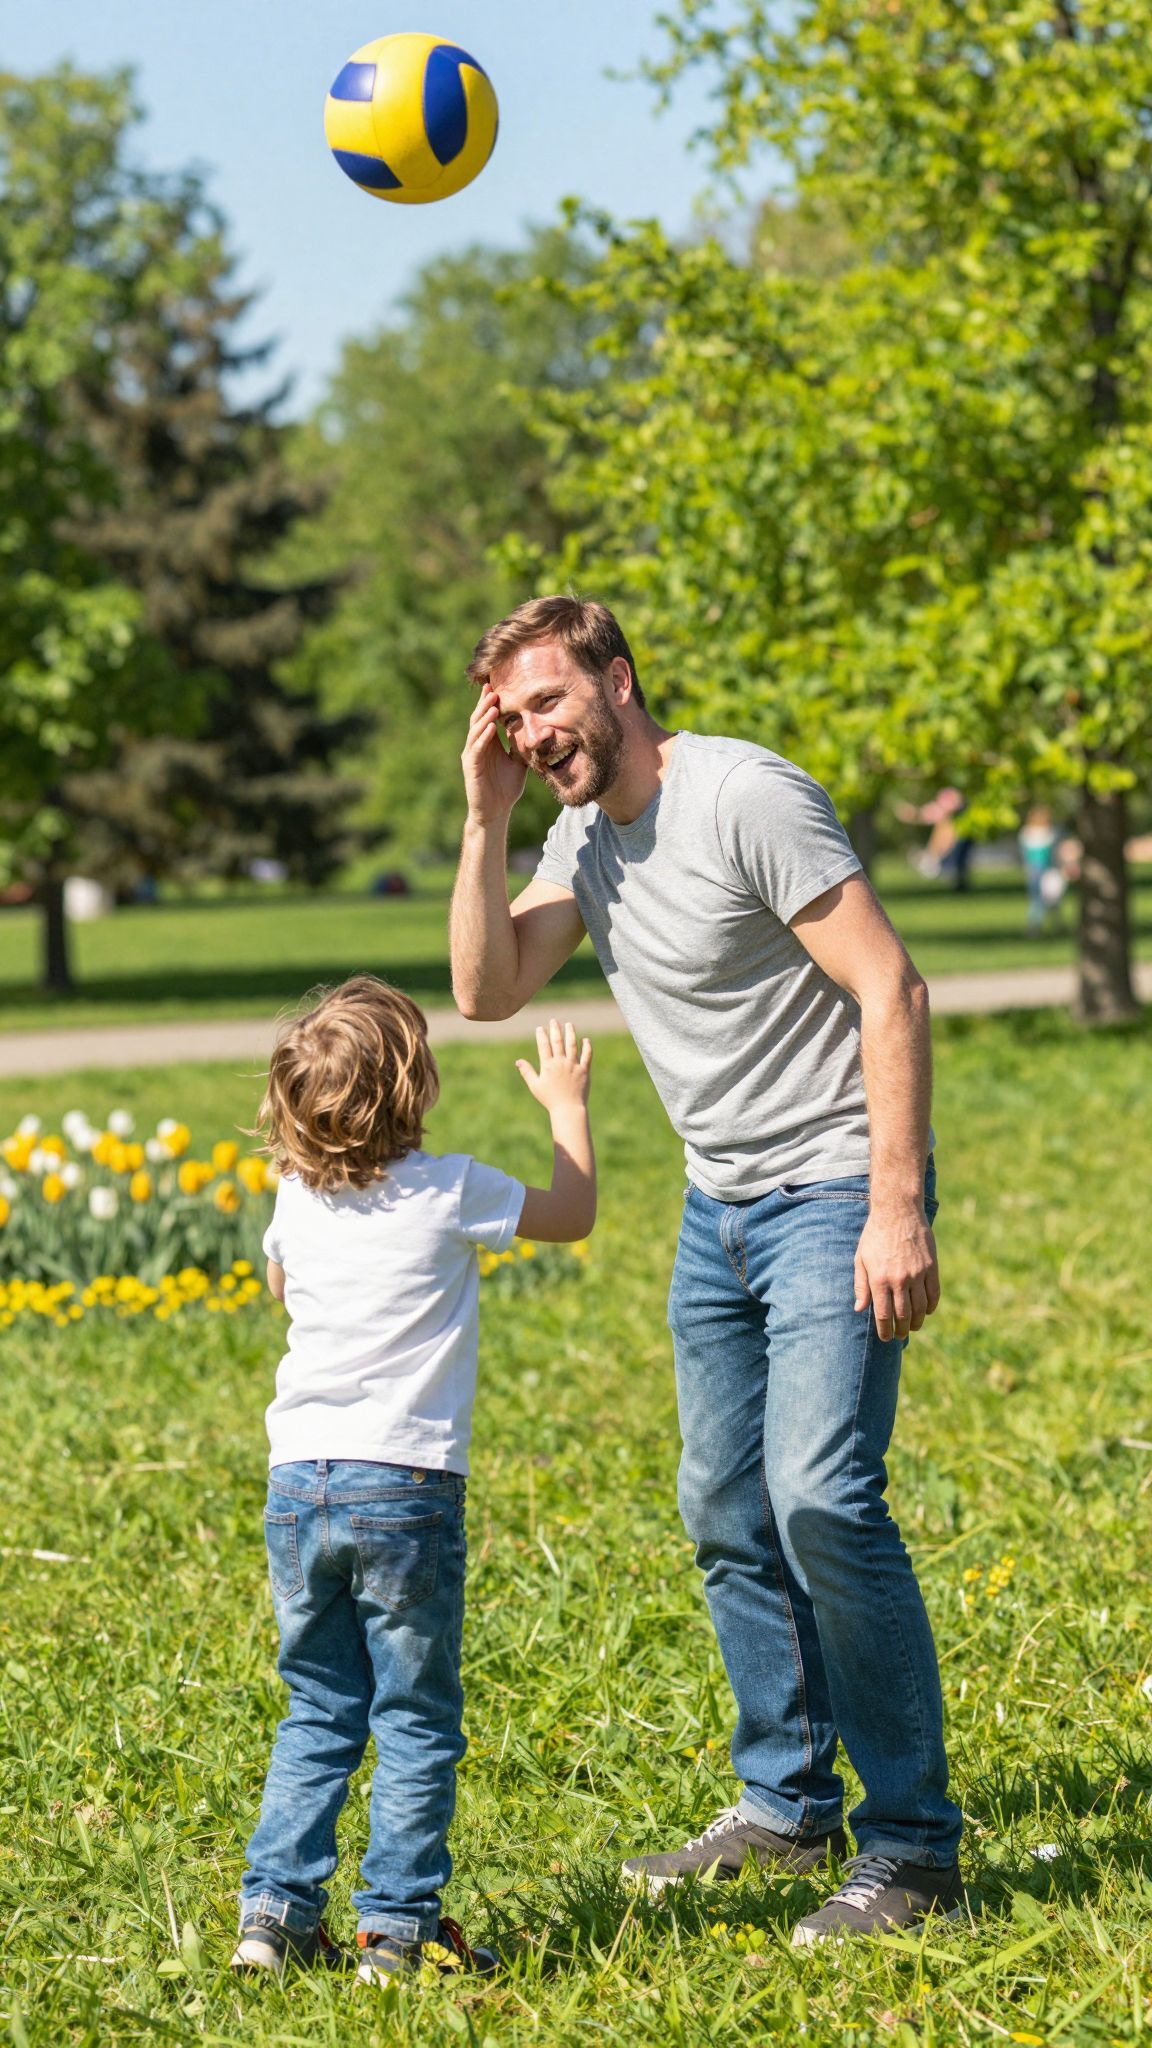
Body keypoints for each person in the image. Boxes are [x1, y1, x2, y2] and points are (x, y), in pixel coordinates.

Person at [450, 595, 963, 1947]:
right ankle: (790, 1811)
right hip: (718, 1205)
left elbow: (891, 989)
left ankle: (914, 1853)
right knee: (726, 1502)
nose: (536, 731)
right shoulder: (575, 836)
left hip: (834, 1187)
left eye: (551, 701)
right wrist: (482, 817)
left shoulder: (744, 795)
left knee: (820, 1497)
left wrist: (896, 1207)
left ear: (619, 680)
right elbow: (486, 989)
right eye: (514, 714)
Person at [230, 975, 595, 1983]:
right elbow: (571, 1214)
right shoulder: (450, 1188)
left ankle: (272, 1911)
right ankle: (393, 1928)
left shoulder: (292, 1195)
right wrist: (567, 1106)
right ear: (416, 1088)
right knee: (414, 1714)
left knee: (317, 1703)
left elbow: (280, 1284)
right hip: (409, 1479)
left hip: (301, 1477)